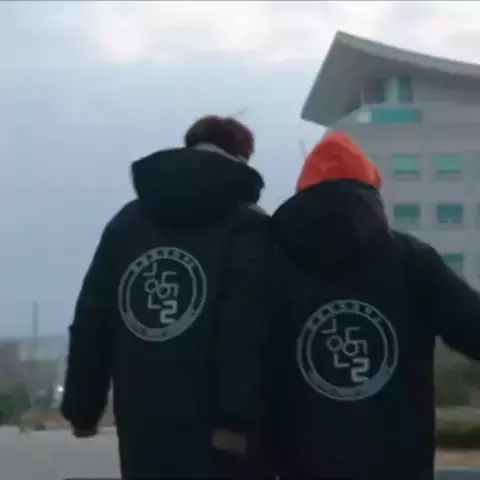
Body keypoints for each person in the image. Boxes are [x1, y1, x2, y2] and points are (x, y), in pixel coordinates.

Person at [61, 115, 271, 479]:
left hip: (143, 424)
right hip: (223, 438)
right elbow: (247, 326)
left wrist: (83, 407)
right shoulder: (247, 225)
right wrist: (236, 419)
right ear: (240, 158)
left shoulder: (126, 224)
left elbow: (92, 319)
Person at [269, 130, 480, 480]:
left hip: (302, 461)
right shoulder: (412, 260)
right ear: (371, 192)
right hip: (398, 461)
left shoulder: (273, 264)